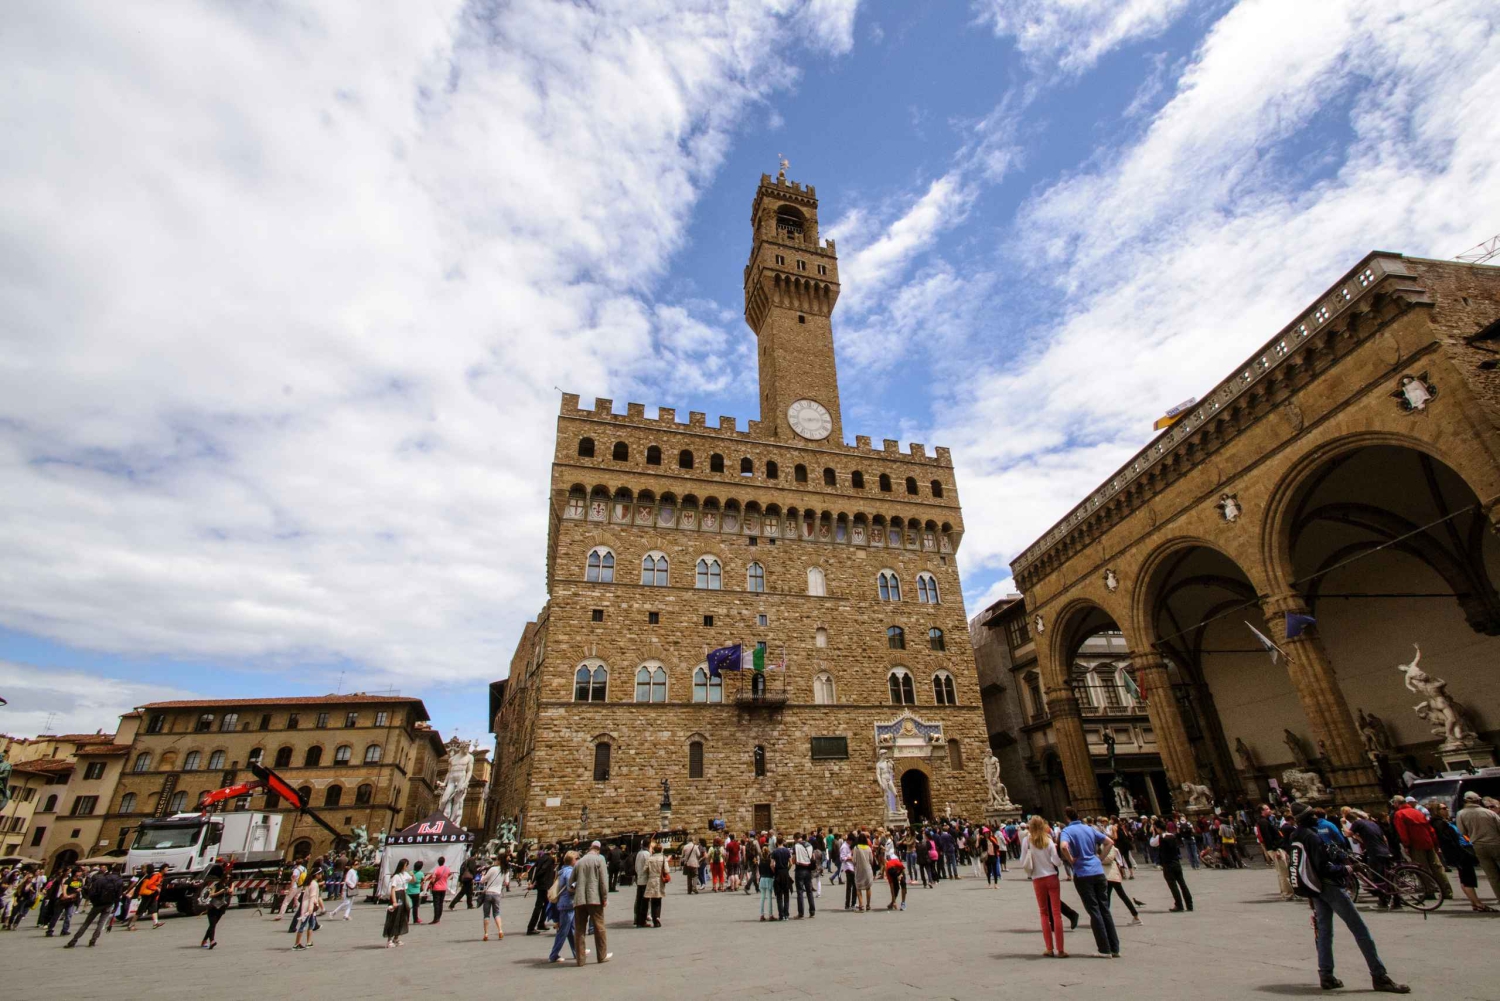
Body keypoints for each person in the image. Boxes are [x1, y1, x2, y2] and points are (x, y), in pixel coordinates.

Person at [1288, 804, 1408, 993]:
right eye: (1312, 814)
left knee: (1325, 931)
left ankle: (1326, 975)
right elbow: (1323, 866)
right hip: (1330, 886)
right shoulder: (1311, 836)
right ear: (1306, 817)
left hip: (1316, 889)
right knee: (1360, 930)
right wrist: (1348, 869)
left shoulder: (1296, 835)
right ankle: (1379, 976)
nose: (1316, 817)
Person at [1058, 805, 1119, 958]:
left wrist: (1071, 860)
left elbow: (1064, 846)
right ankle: (1115, 947)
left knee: (1094, 910)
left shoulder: (1067, 831)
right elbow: (1110, 842)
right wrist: (1100, 858)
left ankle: (1104, 949)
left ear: (1067, 818)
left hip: (1083, 873)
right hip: (1098, 871)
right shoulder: (1089, 828)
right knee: (1104, 909)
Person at [1430, 799, 1493, 913]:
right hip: (1459, 853)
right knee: (1467, 877)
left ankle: (1475, 902)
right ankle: (1477, 904)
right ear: (1437, 811)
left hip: (1460, 852)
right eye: (1444, 808)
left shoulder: (1443, 822)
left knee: (1465, 877)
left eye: (1446, 808)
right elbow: (1448, 840)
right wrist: (1461, 851)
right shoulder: (1439, 823)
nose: (1447, 810)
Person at [1021, 815, 1066, 958]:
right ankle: (1061, 949)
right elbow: (1057, 862)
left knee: (1044, 914)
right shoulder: (1049, 840)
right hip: (1052, 877)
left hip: (1037, 879)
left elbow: (1023, 861)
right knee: (1057, 914)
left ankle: (1049, 948)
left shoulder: (1026, 841)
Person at [1392, 796, 1451, 900]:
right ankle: (1447, 891)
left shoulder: (1399, 814)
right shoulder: (1417, 812)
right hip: (1428, 842)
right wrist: (1435, 843)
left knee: (1422, 868)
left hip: (1415, 843)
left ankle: (1429, 890)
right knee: (1437, 867)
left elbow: (1402, 831)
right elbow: (1430, 829)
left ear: (1397, 803)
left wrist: (1406, 845)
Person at [569, 841, 611, 965]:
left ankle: (580, 960)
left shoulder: (579, 862)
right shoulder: (599, 860)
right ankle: (601, 955)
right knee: (599, 928)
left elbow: (570, 885)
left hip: (579, 900)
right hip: (595, 899)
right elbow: (603, 881)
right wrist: (604, 898)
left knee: (579, 930)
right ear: (598, 849)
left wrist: (577, 889)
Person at [1456, 790, 1500, 905]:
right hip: (1496, 843)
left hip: (1478, 846)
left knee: (1492, 876)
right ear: (1478, 800)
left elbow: (1462, 831)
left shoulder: (1461, 814)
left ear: (1465, 801)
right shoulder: (1489, 813)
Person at [64, 865, 124, 949]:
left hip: (98, 904)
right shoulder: (120, 881)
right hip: (109, 904)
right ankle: (93, 940)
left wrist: (94, 902)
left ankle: (74, 940)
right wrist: (116, 906)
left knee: (86, 923)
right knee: (101, 923)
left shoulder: (101, 879)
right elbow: (118, 896)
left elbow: (91, 892)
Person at [1150, 817, 1193, 912]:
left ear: (1157, 828)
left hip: (1167, 864)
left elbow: (1152, 843)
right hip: (1176, 862)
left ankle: (1179, 904)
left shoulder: (1160, 837)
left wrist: (1153, 833)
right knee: (1182, 884)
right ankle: (1189, 904)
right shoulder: (1172, 836)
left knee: (1173, 886)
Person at [547, 851, 578, 963]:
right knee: (564, 931)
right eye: (577, 858)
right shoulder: (569, 872)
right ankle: (554, 955)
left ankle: (577, 952)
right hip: (568, 903)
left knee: (571, 930)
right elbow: (571, 887)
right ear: (573, 860)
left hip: (563, 903)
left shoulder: (561, 871)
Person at [1102, 843, 1142, 924]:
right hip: (1108, 875)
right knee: (1108, 897)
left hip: (1111, 875)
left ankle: (1136, 916)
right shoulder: (1101, 846)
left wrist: (1097, 858)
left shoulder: (1109, 846)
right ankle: (1106, 918)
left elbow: (1109, 859)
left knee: (1119, 896)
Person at [45, 867, 82, 938]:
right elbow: (64, 888)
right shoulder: (69, 880)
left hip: (72, 901)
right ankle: (50, 930)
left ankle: (64, 930)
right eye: (79, 871)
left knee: (68, 916)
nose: (81, 873)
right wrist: (66, 895)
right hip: (63, 900)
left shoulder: (80, 880)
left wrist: (78, 890)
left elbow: (79, 888)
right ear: (75, 872)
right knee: (56, 915)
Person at [525, 848, 555, 935]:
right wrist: (534, 882)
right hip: (544, 885)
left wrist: (533, 881)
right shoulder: (549, 859)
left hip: (542, 885)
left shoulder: (541, 858)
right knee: (539, 906)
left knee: (545, 904)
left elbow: (533, 869)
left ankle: (541, 923)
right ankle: (531, 927)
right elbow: (542, 870)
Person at [126, 864, 163, 931]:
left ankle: (156, 922)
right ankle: (131, 924)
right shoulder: (146, 875)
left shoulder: (145, 875)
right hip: (147, 894)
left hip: (149, 894)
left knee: (153, 908)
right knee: (140, 910)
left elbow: (134, 882)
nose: (144, 869)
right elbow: (137, 883)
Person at [384, 859, 411, 948]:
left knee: (402, 917)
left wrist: (413, 875)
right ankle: (389, 940)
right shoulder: (396, 876)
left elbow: (412, 880)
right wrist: (394, 901)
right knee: (394, 917)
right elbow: (393, 889)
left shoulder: (405, 875)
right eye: (406, 865)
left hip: (403, 894)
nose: (407, 867)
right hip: (397, 895)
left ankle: (396, 937)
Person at [293, 868, 322, 950]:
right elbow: (312, 897)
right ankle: (296, 944)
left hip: (310, 906)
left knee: (311, 924)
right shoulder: (314, 884)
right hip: (309, 906)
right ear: (316, 875)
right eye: (320, 873)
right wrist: (310, 908)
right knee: (303, 925)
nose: (321, 875)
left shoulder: (311, 883)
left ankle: (309, 942)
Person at [480, 854, 506, 940]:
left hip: (489, 893)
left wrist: (483, 875)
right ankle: (500, 931)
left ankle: (486, 934)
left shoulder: (492, 869)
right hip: (497, 894)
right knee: (497, 913)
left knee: (486, 914)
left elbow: (483, 881)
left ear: (498, 860)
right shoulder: (505, 870)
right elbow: (506, 883)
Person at [200, 876, 231, 949]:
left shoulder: (227, 886)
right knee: (212, 925)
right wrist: (221, 891)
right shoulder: (216, 885)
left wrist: (228, 892)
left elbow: (230, 894)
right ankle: (212, 941)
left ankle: (204, 941)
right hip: (213, 907)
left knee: (212, 925)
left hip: (221, 908)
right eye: (226, 878)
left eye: (229, 878)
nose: (228, 879)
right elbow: (211, 894)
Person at [643, 841, 668, 928]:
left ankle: (653, 917)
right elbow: (667, 870)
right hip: (659, 880)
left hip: (651, 879)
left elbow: (645, 869)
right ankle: (657, 917)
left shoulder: (649, 859)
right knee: (658, 900)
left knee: (652, 899)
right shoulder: (663, 858)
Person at [793, 833, 816, 918]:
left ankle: (801, 913)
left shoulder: (796, 846)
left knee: (800, 892)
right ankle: (812, 911)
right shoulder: (809, 845)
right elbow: (813, 857)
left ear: (795, 838)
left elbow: (794, 859)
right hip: (808, 870)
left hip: (799, 870)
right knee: (809, 891)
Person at [770, 834, 793, 920]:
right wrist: (787, 869)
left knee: (779, 895)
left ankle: (781, 915)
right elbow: (791, 863)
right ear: (783, 841)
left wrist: (774, 871)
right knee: (786, 894)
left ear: (776, 842)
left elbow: (772, 864)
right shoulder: (787, 851)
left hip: (778, 873)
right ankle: (786, 914)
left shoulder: (774, 852)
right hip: (785, 872)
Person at [852, 832, 874, 912]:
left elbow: (853, 860)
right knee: (868, 887)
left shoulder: (856, 848)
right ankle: (868, 905)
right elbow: (871, 860)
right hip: (868, 869)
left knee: (858, 888)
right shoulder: (868, 848)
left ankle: (861, 905)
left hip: (859, 869)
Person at [633, 840, 652, 927]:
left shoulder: (639, 853)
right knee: (645, 901)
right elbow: (648, 867)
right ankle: (642, 921)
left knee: (639, 900)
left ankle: (637, 919)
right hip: (645, 880)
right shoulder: (646, 854)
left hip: (639, 879)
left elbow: (636, 867)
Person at [756, 838, 776, 920]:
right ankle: (770, 915)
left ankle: (761, 914)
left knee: (762, 897)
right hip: (769, 878)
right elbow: (772, 870)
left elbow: (759, 872)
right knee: (769, 897)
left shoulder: (761, 861)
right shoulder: (769, 861)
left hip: (762, 879)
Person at [428, 856, 451, 924]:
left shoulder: (436, 869)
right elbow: (449, 875)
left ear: (438, 862)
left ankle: (436, 918)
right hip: (444, 887)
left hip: (436, 888)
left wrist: (431, 882)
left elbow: (433, 879)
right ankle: (439, 917)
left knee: (436, 904)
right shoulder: (447, 869)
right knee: (441, 903)